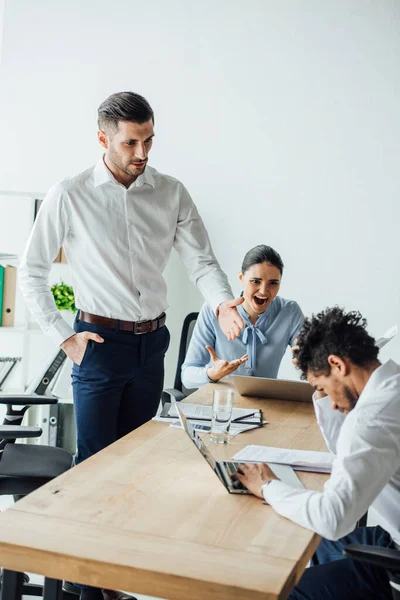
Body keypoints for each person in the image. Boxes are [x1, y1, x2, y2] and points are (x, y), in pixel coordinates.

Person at [18, 91, 244, 600]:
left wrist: (225, 302)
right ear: (103, 139)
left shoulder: (171, 191)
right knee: (95, 469)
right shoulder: (70, 193)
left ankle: (113, 579)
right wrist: (65, 337)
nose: (142, 153)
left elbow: (202, 261)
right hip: (97, 344)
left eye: (148, 140)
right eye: (130, 142)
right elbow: (31, 271)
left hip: (151, 344)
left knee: (136, 469)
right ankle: (83, 588)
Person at [232, 307, 400, 600]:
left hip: (395, 561)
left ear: (337, 363)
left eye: (321, 386)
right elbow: (345, 454)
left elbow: (333, 519)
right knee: (310, 544)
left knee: (279, 590)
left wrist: (268, 487)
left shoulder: (371, 419)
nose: (332, 404)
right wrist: (322, 387)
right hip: (393, 537)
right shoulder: (390, 388)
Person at [181, 244, 304, 389]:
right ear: (241, 278)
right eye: (255, 281)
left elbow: (311, 358)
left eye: (273, 283)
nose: (264, 291)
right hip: (221, 404)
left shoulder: (289, 312)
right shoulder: (214, 310)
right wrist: (213, 374)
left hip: (264, 405)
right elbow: (187, 377)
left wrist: (306, 360)